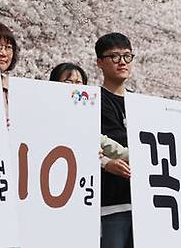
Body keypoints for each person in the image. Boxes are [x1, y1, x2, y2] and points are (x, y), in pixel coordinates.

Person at [95, 33, 134, 248]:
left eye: (127, 56)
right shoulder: (93, 100)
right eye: (115, 56)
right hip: (111, 204)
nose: (122, 62)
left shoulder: (140, 103)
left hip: (145, 203)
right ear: (100, 62)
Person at [49, 63, 130, 166]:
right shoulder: (49, 111)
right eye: (68, 81)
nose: (74, 86)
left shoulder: (84, 115)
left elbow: (101, 141)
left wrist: (135, 155)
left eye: (79, 82)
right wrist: (105, 162)